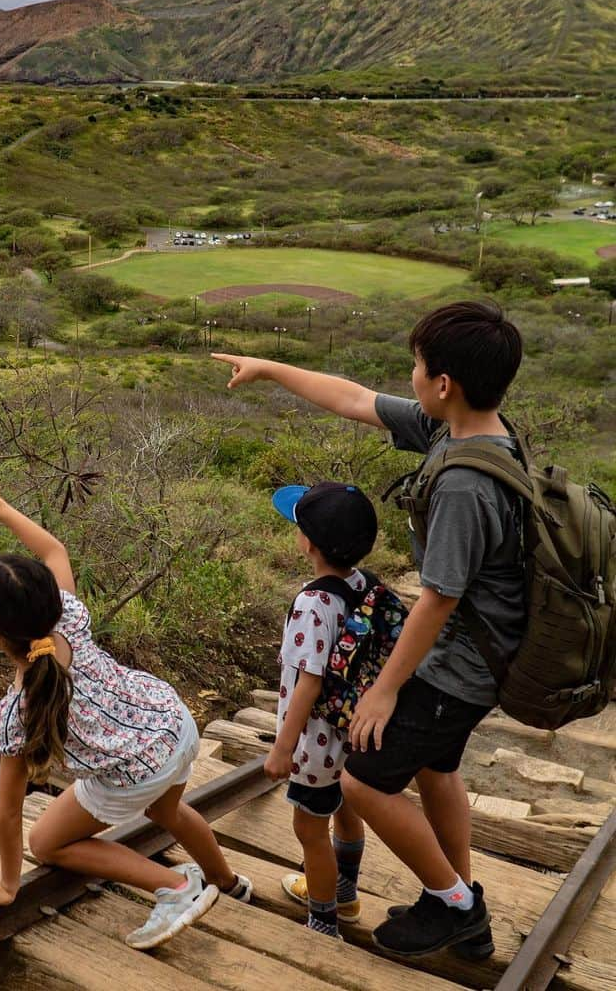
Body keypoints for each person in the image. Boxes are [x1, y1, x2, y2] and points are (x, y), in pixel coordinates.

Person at [213, 299, 525, 959]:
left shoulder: (466, 481)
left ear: (443, 384)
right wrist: (269, 368)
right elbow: (353, 399)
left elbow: (439, 597)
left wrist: (384, 689)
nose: (408, 374)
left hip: (461, 665)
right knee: (437, 771)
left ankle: (456, 906)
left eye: (415, 365)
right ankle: (457, 891)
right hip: (480, 655)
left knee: (363, 778)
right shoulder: (470, 428)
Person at [0, 451, 251, 950]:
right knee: (167, 812)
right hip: (174, 725)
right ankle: (227, 883)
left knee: (45, 843)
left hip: (138, 768)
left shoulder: (16, 714)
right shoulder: (68, 618)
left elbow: (7, 815)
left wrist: (7, 883)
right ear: (51, 600)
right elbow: (55, 552)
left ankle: (178, 889)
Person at [264, 481, 376, 939]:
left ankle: (323, 918)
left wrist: (281, 749)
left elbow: (307, 682)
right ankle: (346, 893)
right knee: (346, 806)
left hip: (315, 743)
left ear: (307, 542)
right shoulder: (361, 584)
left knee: (309, 830)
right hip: (352, 728)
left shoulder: (313, 603)